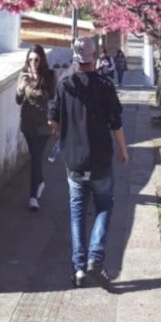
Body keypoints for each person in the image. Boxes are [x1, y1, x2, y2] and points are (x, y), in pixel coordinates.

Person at [49, 36, 128, 288]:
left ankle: (79, 269)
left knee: (77, 214)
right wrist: (123, 150)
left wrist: (62, 132)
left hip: (74, 163)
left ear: (75, 57)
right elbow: (116, 122)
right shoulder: (105, 85)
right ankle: (96, 257)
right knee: (104, 205)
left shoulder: (65, 85)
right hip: (101, 161)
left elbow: (53, 120)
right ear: (94, 57)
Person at [15, 45, 55, 211]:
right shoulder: (23, 76)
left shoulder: (49, 75)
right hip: (28, 124)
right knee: (35, 158)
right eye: (30, 59)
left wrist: (55, 122)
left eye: (36, 59)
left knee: (36, 158)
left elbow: (53, 98)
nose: (33, 63)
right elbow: (18, 100)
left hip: (43, 125)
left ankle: (33, 197)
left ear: (42, 59)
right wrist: (20, 89)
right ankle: (40, 181)